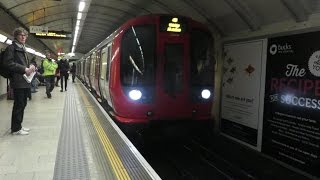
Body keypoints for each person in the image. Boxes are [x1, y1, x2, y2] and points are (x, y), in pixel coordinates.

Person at [3, 27, 36, 135]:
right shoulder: (11, 48)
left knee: (23, 104)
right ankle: (16, 129)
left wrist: (31, 66)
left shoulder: (23, 48)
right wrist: (24, 69)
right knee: (19, 104)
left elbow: (26, 63)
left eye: (25, 35)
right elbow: (8, 63)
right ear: (16, 36)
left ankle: (18, 126)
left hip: (25, 81)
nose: (23, 37)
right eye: (21, 35)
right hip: (18, 81)